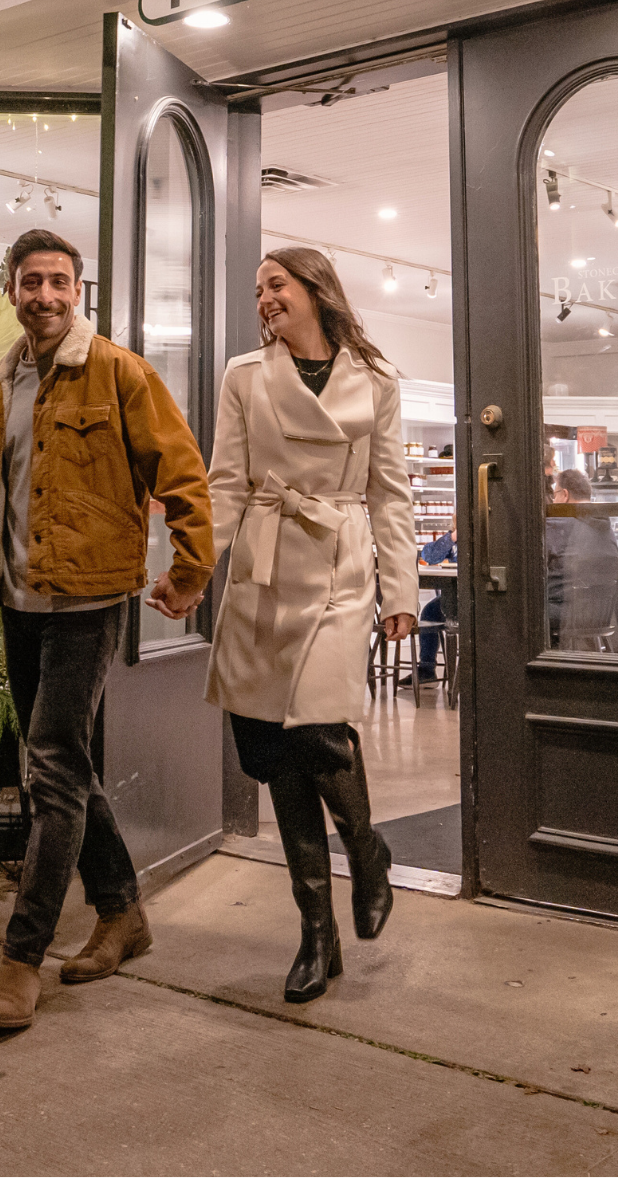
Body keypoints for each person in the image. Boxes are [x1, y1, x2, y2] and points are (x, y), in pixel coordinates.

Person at [0, 229, 214, 1033]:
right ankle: (121, 914)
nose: (45, 295)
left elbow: (183, 472)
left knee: (49, 766)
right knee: (61, 767)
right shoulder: (2, 379)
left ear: (80, 291)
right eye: (31, 281)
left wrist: (190, 568)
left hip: (86, 599)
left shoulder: (117, 370)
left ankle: (22, 956)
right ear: (11, 288)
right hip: (17, 598)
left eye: (59, 282)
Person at [204, 247, 419, 1003]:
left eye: (276, 284)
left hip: (338, 568)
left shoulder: (378, 380)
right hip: (265, 566)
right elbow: (226, 482)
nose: (263, 297)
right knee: (273, 746)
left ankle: (366, 849)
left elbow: (390, 493)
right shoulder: (243, 377)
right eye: (258, 287)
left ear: (315, 291)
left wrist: (403, 592)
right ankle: (315, 934)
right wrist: (193, 565)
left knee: (320, 726)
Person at [550, 468, 618, 650]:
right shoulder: (605, 526)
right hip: (600, 614)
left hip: (568, 612)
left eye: (555, 495)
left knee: (524, 608)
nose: (553, 501)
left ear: (565, 495)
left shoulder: (559, 524)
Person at [416, 525, 455, 682]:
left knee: (432, 610)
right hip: (451, 596)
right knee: (430, 611)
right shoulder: (453, 542)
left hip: (471, 597)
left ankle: (428, 670)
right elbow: (429, 556)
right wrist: (452, 537)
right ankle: (426, 669)